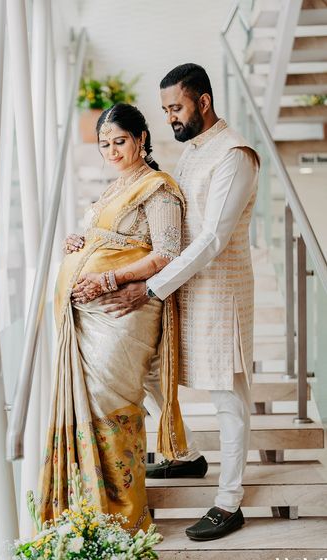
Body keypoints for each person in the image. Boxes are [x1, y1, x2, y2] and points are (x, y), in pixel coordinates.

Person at [99, 64, 260, 541]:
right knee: (153, 368)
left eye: (177, 107)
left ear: (203, 102)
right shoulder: (191, 153)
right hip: (182, 290)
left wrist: (149, 286)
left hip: (220, 295)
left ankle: (229, 502)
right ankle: (184, 456)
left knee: (228, 397)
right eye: (166, 108)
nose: (170, 116)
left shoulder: (235, 156)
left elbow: (212, 237)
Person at [39, 102, 189, 533]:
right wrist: (79, 242)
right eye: (104, 144)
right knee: (87, 402)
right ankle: (90, 510)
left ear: (141, 138)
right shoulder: (114, 187)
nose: (112, 151)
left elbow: (166, 253)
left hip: (126, 313)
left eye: (119, 141)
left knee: (110, 405)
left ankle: (123, 516)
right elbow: (106, 236)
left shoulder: (159, 188)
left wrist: (108, 281)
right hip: (87, 321)